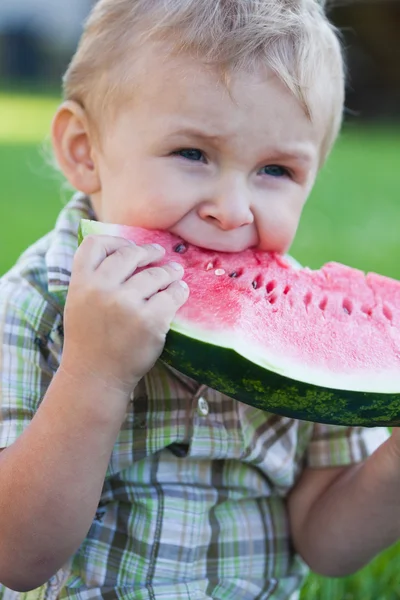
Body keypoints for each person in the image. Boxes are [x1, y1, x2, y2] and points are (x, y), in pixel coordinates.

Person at [0, 0, 395, 598]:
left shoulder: (298, 331)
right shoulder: (32, 305)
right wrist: (94, 373)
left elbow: (326, 543)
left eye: (276, 170)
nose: (232, 210)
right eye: (192, 154)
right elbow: (16, 554)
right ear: (83, 150)